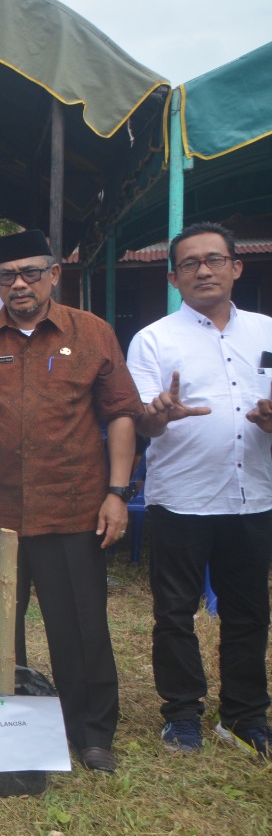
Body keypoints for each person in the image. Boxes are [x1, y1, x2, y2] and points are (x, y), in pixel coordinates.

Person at [0, 228, 138, 773]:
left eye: (30, 272)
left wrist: (117, 493)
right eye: (6, 275)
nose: (18, 284)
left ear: (54, 274)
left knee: (81, 624)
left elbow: (121, 413)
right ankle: (5, 724)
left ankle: (91, 731)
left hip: (72, 507)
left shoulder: (91, 333)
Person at [127, 222, 272, 760]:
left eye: (215, 259)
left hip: (252, 496)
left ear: (237, 266)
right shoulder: (154, 339)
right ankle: (182, 714)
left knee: (249, 612)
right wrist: (157, 416)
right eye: (190, 263)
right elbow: (143, 421)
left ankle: (244, 717)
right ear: (173, 277)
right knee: (174, 612)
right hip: (181, 498)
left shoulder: (267, 332)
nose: (204, 270)